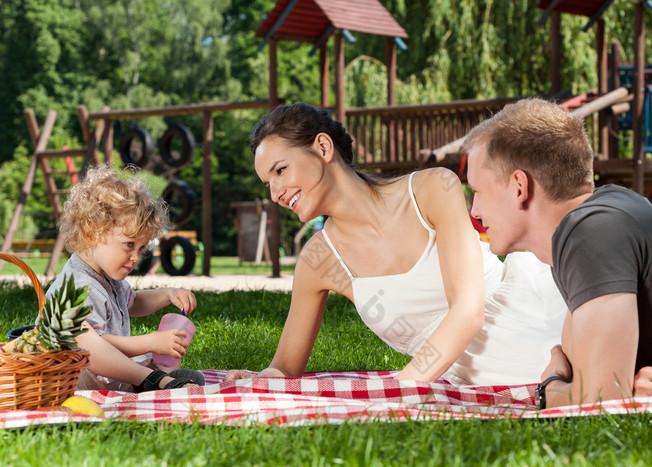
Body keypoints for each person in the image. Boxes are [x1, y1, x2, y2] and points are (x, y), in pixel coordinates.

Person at [225, 103, 567, 386]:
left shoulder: (433, 189)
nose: (275, 193)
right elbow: (285, 368)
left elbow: (468, 310)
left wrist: (402, 386)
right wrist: (258, 379)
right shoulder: (319, 260)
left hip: (534, 310)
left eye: (280, 170)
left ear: (323, 148)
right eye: (267, 183)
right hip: (463, 372)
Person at [462, 97, 652, 408]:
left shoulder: (592, 232)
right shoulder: (603, 218)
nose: (475, 210)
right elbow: (588, 373)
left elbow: (601, 400)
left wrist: (549, 387)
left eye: (479, 191)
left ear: (519, 187)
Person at [44, 165, 204, 392]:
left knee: (153, 357)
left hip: (109, 377)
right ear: (91, 233)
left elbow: (134, 301)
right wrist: (149, 342)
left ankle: (158, 378)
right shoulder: (79, 286)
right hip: (81, 384)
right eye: (129, 245)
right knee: (91, 339)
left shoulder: (106, 276)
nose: (135, 258)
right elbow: (91, 346)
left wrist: (168, 294)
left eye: (141, 248)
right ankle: (153, 379)